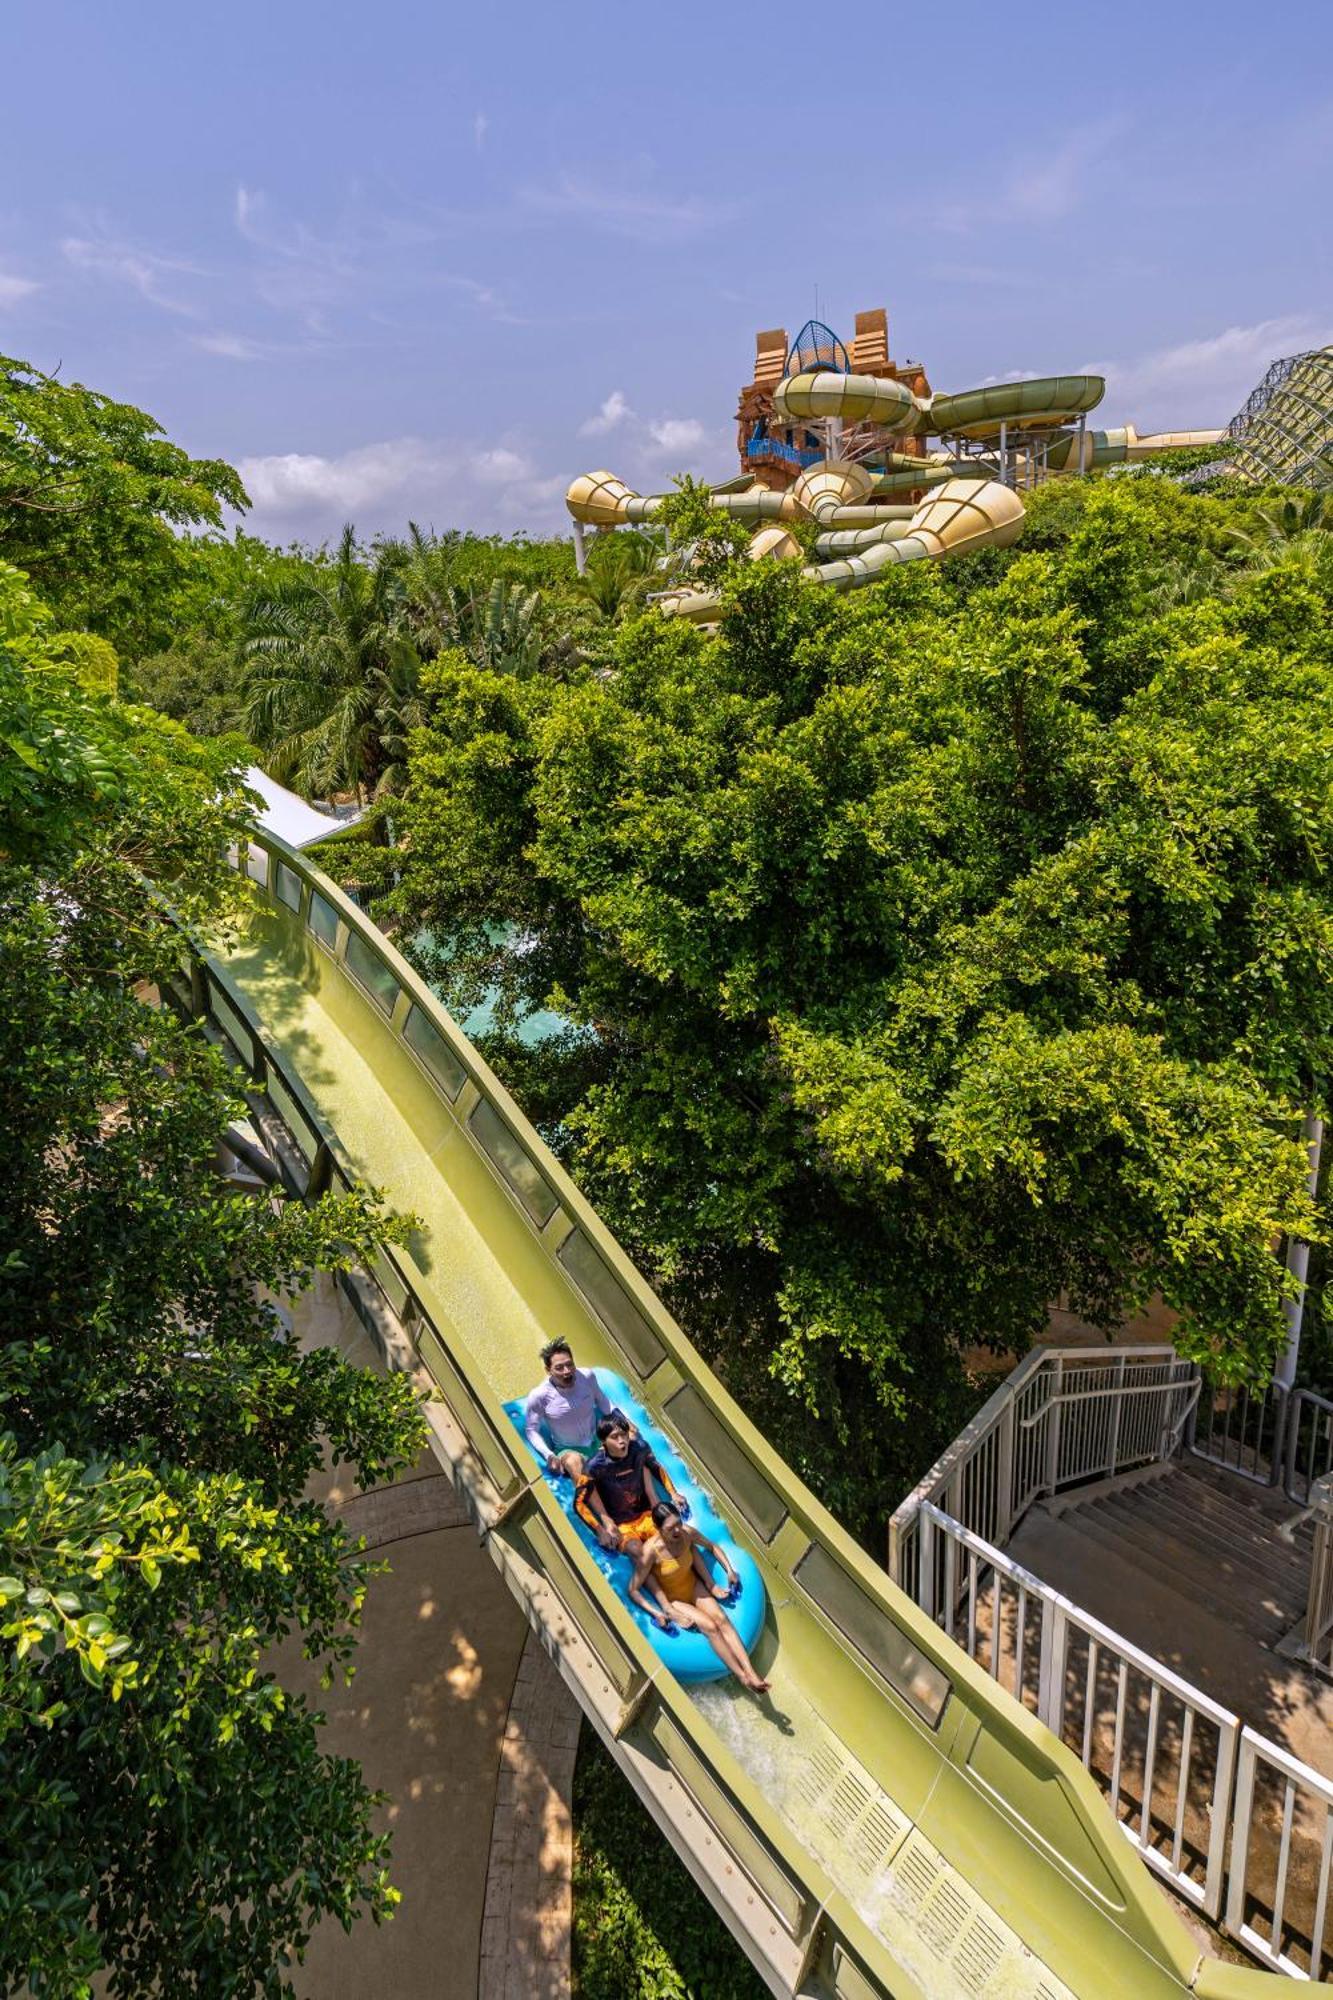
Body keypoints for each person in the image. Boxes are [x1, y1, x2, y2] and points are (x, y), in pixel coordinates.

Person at [629, 1502, 769, 1693]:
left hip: (693, 1586)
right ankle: (742, 1677)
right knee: (710, 1626)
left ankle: (751, 1672)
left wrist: (729, 1570)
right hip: (674, 1599)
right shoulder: (650, 1552)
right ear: (658, 1529)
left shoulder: (687, 1533)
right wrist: (658, 1612)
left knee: (722, 1619)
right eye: (670, 1528)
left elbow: (712, 1546)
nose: (677, 1530)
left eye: (678, 1522)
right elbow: (633, 1589)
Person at [523, 1340, 625, 1480]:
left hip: (597, 1439)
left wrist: (623, 1421)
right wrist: (549, 1455)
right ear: (548, 1370)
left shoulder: (587, 1377)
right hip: (569, 1449)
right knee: (573, 1462)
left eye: (569, 1364)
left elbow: (602, 1400)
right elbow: (531, 1430)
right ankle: (587, 1498)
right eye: (559, 1368)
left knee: (633, 1442)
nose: (567, 1371)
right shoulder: (539, 1396)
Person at [575, 1416, 677, 1552]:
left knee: (669, 1543)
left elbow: (655, 1466)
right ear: (603, 1442)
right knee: (637, 1552)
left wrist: (673, 1493)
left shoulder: (640, 1448)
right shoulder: (593, 1467)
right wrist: (600, 1530)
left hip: (646, 1515)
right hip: (621, 1525)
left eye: (624, 1434)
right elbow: (579, 1503)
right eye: (615, 1437)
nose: (622, 1440)